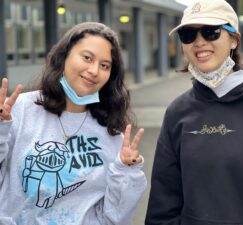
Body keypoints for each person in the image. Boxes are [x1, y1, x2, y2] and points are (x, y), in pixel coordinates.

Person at [145, 0, 243, 224]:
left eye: (211, 32)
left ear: (234, 40)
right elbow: (164, 200)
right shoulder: (177, 112)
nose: (199, 42)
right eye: (188, 35)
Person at [0, 22, 147, 225]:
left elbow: (116, 217)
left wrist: (126, 170)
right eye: (87, 58)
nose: (94, 70)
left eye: (105, 65)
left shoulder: (111, 133)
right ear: (64, 56)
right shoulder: (20, 110)